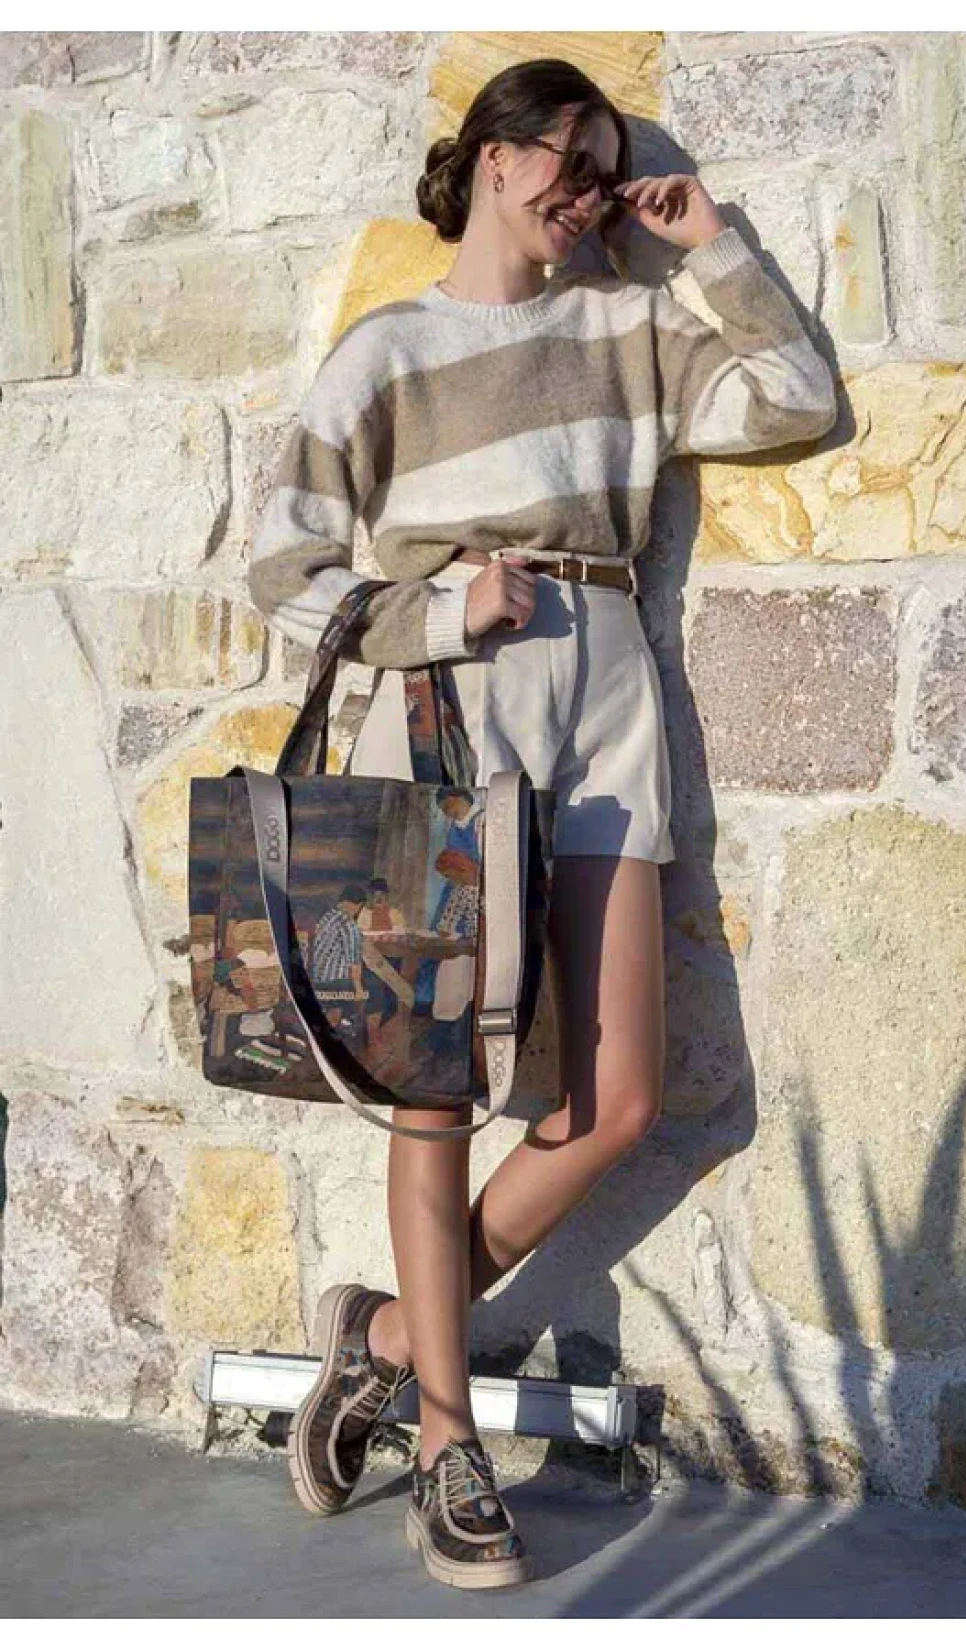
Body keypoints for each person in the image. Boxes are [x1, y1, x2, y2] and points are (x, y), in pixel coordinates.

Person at [249, 57, 836, 1590]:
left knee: (623, 1097)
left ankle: (386, 1336)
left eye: (608, 172)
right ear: (498, 158)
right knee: (434, 1092)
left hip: (606, 689)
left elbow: (797, 396)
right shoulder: (387, 353)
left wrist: (709, 242)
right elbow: (281, 567)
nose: (590, 197)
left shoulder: (628, 325)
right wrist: (439, 610)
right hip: (448, 705)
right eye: (575, 164)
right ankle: (449, 1442)